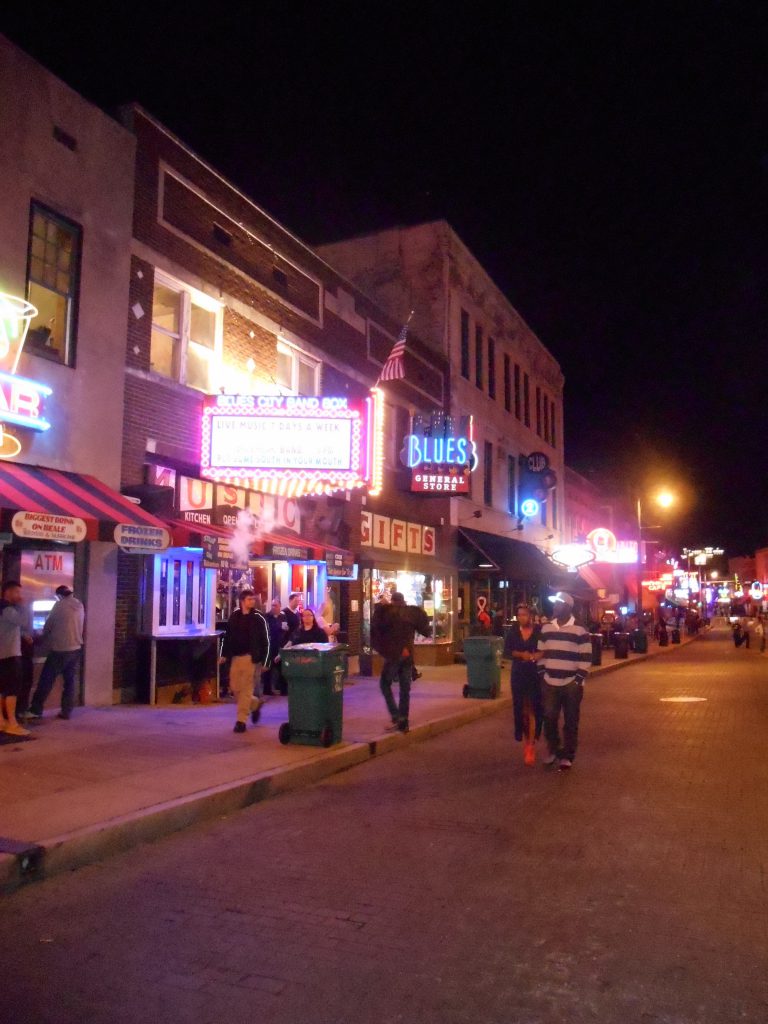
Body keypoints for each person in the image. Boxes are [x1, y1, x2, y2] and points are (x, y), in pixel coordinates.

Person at [537, 591, 592, 771]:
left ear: (568, 607)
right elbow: (542, 653)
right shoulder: (546, 628)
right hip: (550, 682)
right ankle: (553, 749)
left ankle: (567, 755)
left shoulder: (580, 629)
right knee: (549, 718)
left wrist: (578, 679)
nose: (554, 607)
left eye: (558, 604)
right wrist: (542, 674)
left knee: (570, 721)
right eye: (554, 604)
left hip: (570, 684)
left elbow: (586, 656)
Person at [371, 591, 430, 734]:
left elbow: (377, 629)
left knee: (385, 684)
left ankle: (396, 716)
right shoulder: (411, 613)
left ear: (393, 601)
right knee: (405, 688)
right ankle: (403, 719)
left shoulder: (389, 613)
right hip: (407, 655)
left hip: (394, 655)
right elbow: (425, 630)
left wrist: (381, 606)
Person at [28, 585, 85, 721]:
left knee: (46, 680)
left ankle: (36, 709)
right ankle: (66, 711)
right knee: (69, 682)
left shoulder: (59, 606)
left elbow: (47, 626)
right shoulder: (79, 604)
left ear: (59, 595)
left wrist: (38, 638)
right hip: (76, 649)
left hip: (60, 650)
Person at [220, 589, 271, 733]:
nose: (252, 602)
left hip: (251, 658)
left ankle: (241, 721)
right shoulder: (234, 616)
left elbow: (266, 640)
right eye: (249, 599)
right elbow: (226, 637)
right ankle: (255, 704)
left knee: (246, 688)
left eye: (253, 599)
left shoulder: (258, 617)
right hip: (235, 657)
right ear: (242, 601)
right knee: (235, 688)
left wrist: (266, 660)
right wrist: (223, 654)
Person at [503, 604, 543, 766]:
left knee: (533, 707)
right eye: (519, 615)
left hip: (534, 673)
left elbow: (544, 650)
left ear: (530, 616)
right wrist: (521, 654)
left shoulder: (539, 632)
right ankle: (525, 737)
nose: (521, 618)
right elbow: (508, 651)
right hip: (518, 672)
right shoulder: (513, 632)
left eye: (524, 615)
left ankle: (530, 745)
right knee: (521, 709)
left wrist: (534, 656)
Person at [0, 580, 30, 736]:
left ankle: (1, 721)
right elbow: (23, 621)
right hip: (10, 654)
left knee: (2, 689)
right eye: (17, 592)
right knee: (12, 690)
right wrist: (24, 605)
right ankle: (12, 722)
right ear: (8, 592)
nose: (19, 595)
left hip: (2, 655)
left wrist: (23, 635)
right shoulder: (8, 610)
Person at [263, 598, 290, 695]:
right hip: (270, 645)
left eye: (275, 605)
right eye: (272, 605)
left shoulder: (283, 616)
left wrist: (286, 629)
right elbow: (267, 629)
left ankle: (284, 690)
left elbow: (286, 628)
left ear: (280, 606)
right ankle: (267, 690)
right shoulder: (267, 616)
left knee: (282, 668)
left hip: (280, 644)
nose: (273, 607)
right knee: (268, 669)